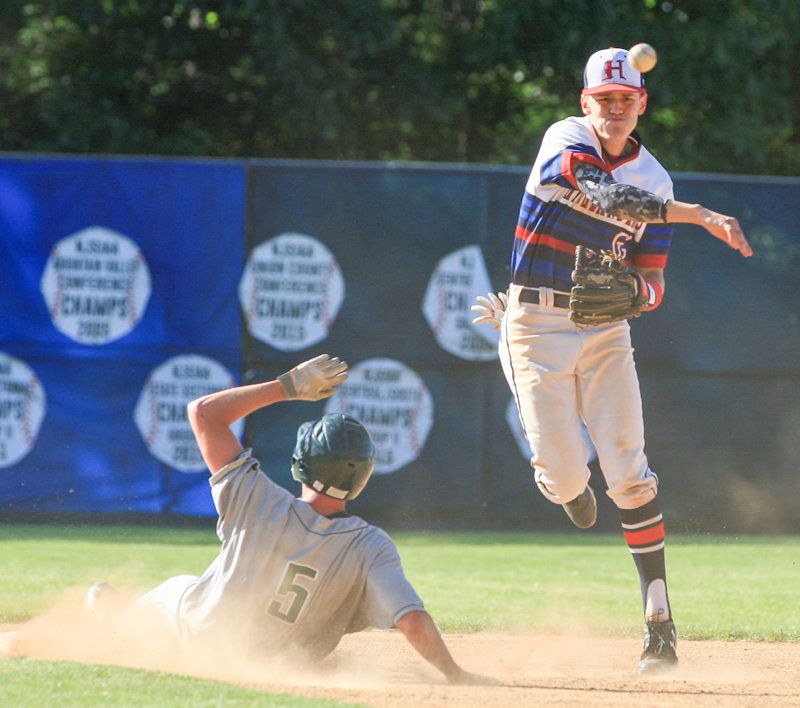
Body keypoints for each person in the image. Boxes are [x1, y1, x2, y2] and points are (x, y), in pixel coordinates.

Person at [472, 47, 752, 674]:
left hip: (605, 331)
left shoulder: (657, 177)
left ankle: (660, 624)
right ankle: (565, 484)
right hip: (537, 323)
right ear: (585, 102)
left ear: (642, 103)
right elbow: (607, 194)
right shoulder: (564, 139)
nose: (615, 108)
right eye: (605, 98)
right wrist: (700, 214)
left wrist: (638, 296)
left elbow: (654, 280)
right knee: (568, 478)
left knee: (629, 472)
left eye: (626, 98)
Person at [92, 354, 494, 685]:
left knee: (178, 588)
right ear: (362, 479)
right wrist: (454, 674)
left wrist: (285, 386)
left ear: (300, 464)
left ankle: (113, 620)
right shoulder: (370, 546)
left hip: (205, 642)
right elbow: (413, 622)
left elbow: (203, 413)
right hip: (278, 663)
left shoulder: (256, 499)